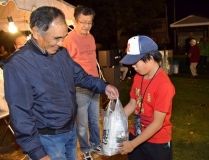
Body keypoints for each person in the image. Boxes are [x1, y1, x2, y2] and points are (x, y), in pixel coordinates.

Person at [3, 6, 119, 160]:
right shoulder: (18, 65)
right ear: (36, 32)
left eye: (63, 37)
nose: (61, 43)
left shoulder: (61, 53)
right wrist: (37, 152)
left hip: (70, 131)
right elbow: (20, 114)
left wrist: (104, 86)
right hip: (47, 140)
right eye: (57, 38)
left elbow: (81, 77)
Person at [119, 35, 175, 160]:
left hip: (157, 142)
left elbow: (157, 123)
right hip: (136, 134)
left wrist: (133, 144)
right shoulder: (138, 76)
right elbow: (132, 104)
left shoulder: (164, 85)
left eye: (135, 61)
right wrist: (115, 117)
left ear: (149, 58)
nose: (132, 66)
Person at [63, 5, 102, 160]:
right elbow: (66, 65)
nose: (86, 26)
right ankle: (85, 149)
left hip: (95, 84)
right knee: (82, 123)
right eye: (83, 22)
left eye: (89, 22)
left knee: (94, 118)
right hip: (80, 87)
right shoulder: (69, 40)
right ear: (75, 21)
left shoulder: (91, 37)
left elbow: (92, 61)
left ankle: (95, 144)